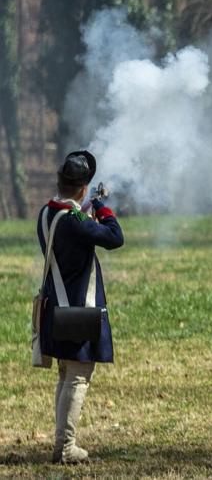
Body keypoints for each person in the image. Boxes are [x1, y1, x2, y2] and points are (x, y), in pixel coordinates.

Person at [37, 151, 124, 464]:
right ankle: (65, 447)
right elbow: (116, 237)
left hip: (56, 308)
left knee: (66, 375)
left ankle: (62, 442)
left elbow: (72, 232)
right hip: (78, 310)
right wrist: (100, 207)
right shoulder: (75, 222)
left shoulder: (48, 213)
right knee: (77, 376)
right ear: (83, 188)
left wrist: (85, 211)